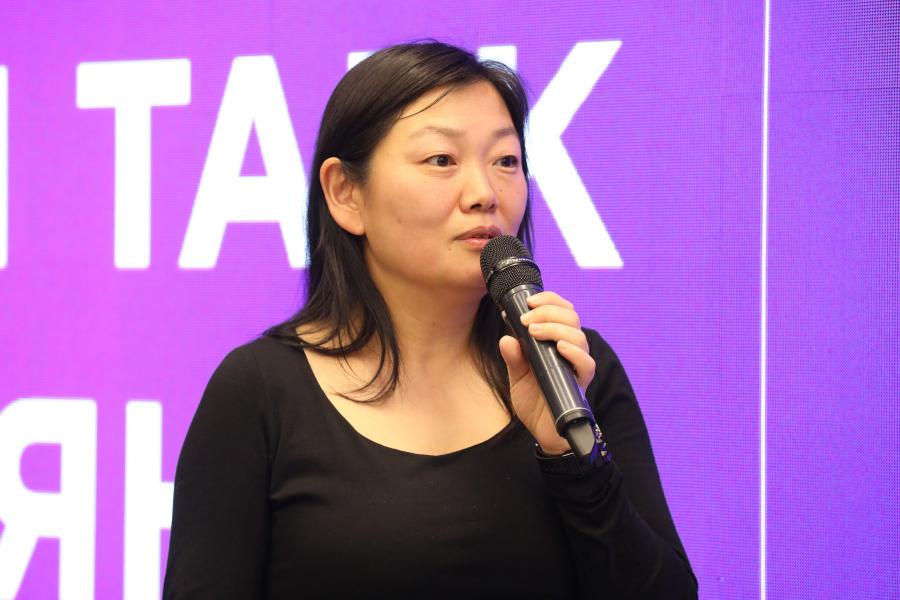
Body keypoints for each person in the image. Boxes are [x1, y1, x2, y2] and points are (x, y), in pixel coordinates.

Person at [162, 41, 697, 599]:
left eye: (506, 161)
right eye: (442, 160)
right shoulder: (259, 391)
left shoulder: (571, 367)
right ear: (346, 194)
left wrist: (573, 456)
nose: (485, 194)